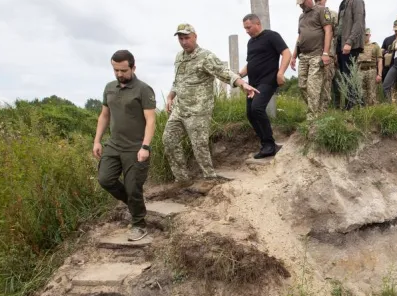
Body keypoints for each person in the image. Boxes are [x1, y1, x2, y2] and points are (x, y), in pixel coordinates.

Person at [165, 24, 258, 182]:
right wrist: (170, 96)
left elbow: (223, 72)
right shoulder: (179, 57)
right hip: (180, 109)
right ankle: (182, 179)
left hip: (198, 110)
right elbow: (178, 81)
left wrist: (242, 83)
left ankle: (210, 178)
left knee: (199, 145)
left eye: (187, 38)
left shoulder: (205, 57)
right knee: (169, 140)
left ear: (195, 36)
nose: (184, 42)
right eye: (181, 39)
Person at [94, 50, 157, 242]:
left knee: (133, 188)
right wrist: (97, 140)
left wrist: (145, 147)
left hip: (135, 147)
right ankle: (134, 205)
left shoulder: (143, 89)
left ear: (133, 67)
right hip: (114, 145)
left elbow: (151, 120)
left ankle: (139, 224)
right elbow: (105, 115)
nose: (119, 74)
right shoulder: (109, 88)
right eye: (115, 70)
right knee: (105, 179)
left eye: (123, 70)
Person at [240, 14, 291, 159]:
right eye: (245, 28)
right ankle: (266, 144)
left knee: (257, 108)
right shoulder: (251, 43)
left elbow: (286, 53)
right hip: (253, 83)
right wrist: (238, 75)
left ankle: (269, 145)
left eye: (248, 27)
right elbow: (250, 64)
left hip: (268, 80)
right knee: (250, 113)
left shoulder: (271, 36)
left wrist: (281, 73)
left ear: (258, 23)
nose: (247, 31)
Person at [290, 0, 332, 120]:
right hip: (303, 56)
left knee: (313, 87)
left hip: (317, 54)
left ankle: (312, 118)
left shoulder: (321, 10)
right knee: (302, 85)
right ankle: (317, 111)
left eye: (303, 1)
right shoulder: (301, 17)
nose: (301, 4)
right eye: (299, 2)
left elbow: (328, 31)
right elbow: (300, 37)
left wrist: (325, 53)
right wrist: (294, 56)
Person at [331, 0, 366, 109]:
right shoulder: (342, 4)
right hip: (341, 46)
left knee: (349, 76)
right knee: (346, 77)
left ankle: (351, 107)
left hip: (351, 45)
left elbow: (358, 24)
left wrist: (349, 42)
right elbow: (339, 27)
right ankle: (359, 105)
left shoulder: (356, 0)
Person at [313, 0, 339, 109]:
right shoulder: (310, 14)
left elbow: (338, 34)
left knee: (327, 82)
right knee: (314, 83)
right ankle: (315, 110)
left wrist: (337, 53)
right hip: (313, 53)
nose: (318, 2)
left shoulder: (332, 14)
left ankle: (324, 110)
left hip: (329, 53)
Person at [357, 28, 382, 106]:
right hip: (360, 71)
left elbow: (380, 60)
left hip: (371, 70)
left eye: (366, 35)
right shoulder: (358, 47)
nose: (365, 37)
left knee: (372, 92)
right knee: (361, 92)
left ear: (369, 35)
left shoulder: (375, 46)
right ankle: (363, 111)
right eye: (363, 35)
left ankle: (373, 111)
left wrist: (379, 74)